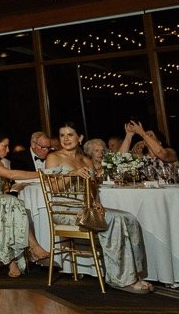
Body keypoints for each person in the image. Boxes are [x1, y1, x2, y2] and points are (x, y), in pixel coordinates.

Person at [44, 122, 152, 293]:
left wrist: (97, 204)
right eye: (62, 135)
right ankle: (121, 279)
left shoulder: (86, 160)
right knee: (115, 220)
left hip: (88, 208)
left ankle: (136, 273)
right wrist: (72, 174)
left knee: (128, 217)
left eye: (70, 134)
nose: (65, 139)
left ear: (79, 138)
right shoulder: (54, 157)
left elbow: (92, 188)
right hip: (65, 210)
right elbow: (54, 188)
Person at [0, 131, 51, 278]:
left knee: (14, 205)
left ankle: (12, 263)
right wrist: (43, 174)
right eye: (5, 146)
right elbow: (11, 175)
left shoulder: (0, 163)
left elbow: (4, 189)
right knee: (10, 203)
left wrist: (14, 188)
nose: (7, 150)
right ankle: (34, 247)